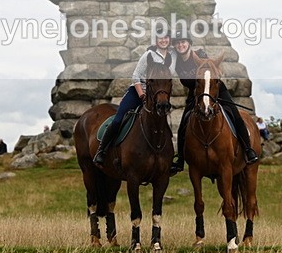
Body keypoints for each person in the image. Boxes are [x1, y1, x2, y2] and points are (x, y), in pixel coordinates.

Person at [170, 29, 258, 174]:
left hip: (215, 91)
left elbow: (213, 69)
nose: (181, 45)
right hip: (196, 94)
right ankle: (180, 160)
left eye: (183, 42)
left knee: (235, 116)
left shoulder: (200, 55)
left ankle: (248, 150)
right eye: (178, 43)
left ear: (189, 43)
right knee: (183, 124)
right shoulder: (177, 61)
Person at [93, 26, 175, 166]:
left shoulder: (172, 56)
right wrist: (141, 95)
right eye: (160, 38)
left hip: (158, 95)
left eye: (166, 38)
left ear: (169, 39)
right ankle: (102, 150)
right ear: (156, 40)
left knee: (163, 124)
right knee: (119, 119)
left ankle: (166, 158)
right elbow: (136, 76)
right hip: (139, 92)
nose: (163, 40)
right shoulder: (148, 55)